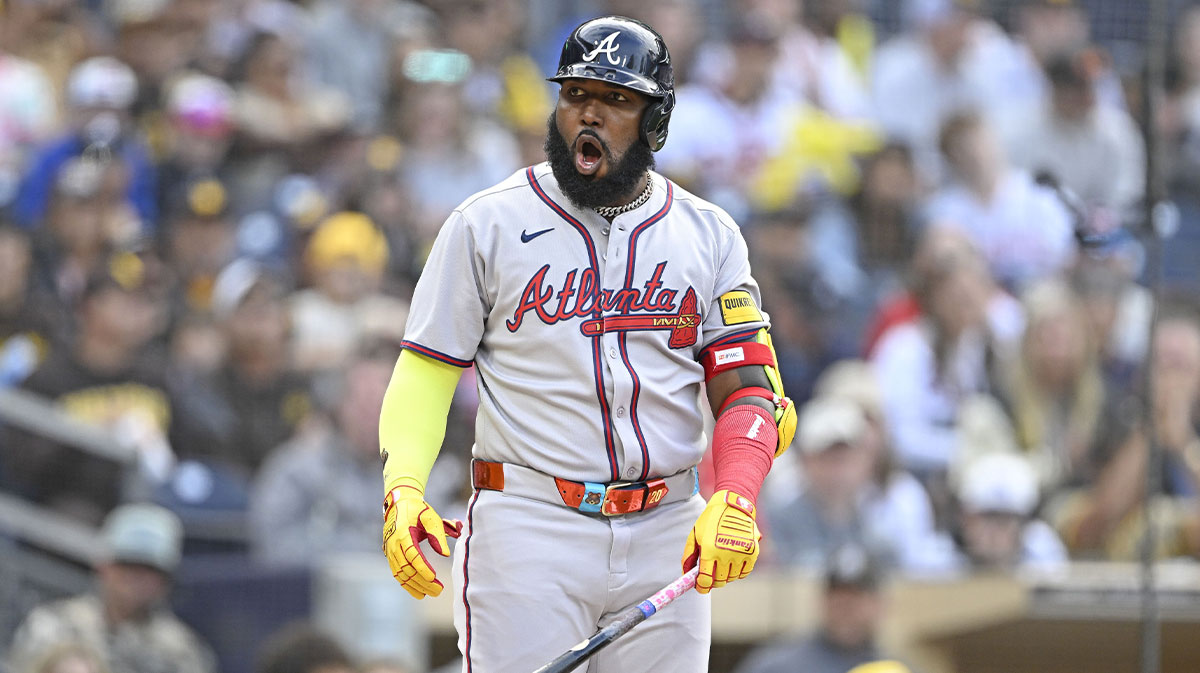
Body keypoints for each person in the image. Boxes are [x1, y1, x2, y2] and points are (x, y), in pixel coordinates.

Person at [377, 16, 796, 672]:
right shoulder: (486, 223)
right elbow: (428, 368)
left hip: (666, 524)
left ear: (655, 120)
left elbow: (749, 386)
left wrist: (736, 494)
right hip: (531, 522)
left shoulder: (707, 233)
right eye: (576, 95)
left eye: (616, 100)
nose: (588, 115)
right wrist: (403, 482)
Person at [7, 503, 216, 673]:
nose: (136, 577)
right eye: (127, 564)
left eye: (150, 569)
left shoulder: (182, 653)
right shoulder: (53, 625)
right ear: (103, 566)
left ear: (165, 581)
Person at [733, 544, 897, 673]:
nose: (845, 608)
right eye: (837, 596)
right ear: (822, 600)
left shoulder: (898, 669)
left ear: (880, 604)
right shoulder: (776, 667)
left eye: (855, 598)